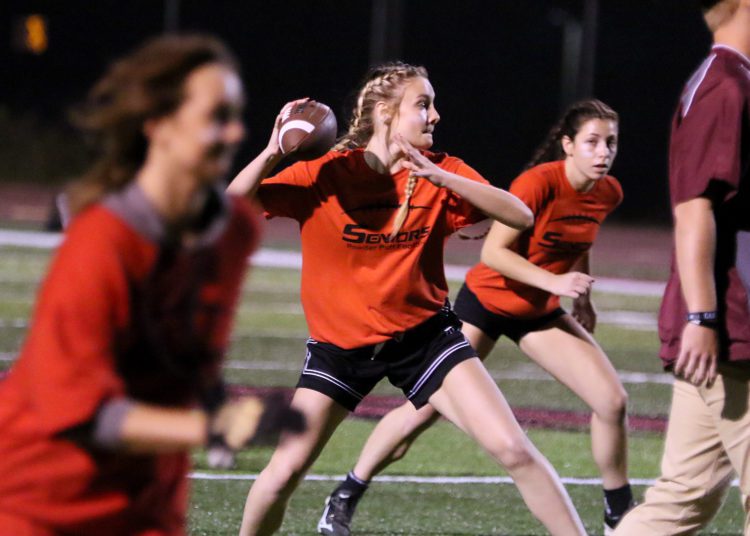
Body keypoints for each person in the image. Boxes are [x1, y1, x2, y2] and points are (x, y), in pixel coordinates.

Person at [228, 62, 587, 535]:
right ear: (385, 113)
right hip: (341, 350)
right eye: (423, 104)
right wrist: (274, 151)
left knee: (515, 450)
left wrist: (443, 179)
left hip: (425, 339)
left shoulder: (444, 171)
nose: (435, 115)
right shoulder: (325, 175)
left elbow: (519, 214)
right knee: (284, 473)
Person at [0, 35, 303, 536]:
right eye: (216, 117)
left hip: (146, 500)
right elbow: (77, 414)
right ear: (159, 126)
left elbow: (191, 357)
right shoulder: (102, 240)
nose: (233, 133)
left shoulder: (234, 231)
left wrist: (214, 402)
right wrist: (213, 426)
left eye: (236, 116)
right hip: (39, 498)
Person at [319, 98, 633, 536]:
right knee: (423, 411)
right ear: (567, 145)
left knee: (612, 400)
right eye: (593, 142)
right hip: (487, 304)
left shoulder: (608, 192)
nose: (603, 152)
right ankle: (347, 492)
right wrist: (556, 284)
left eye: (611, 143)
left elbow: (576, 238)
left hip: (537, 309)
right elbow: (493, 253)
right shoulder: (536, 184)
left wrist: (581, 292)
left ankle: (619, 514)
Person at [614, 1, 750, 534]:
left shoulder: (732, 79)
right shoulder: (725, 86)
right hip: (730, 329)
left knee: (682, 500)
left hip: (725, 327)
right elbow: (695, 210)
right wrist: (703, 319)